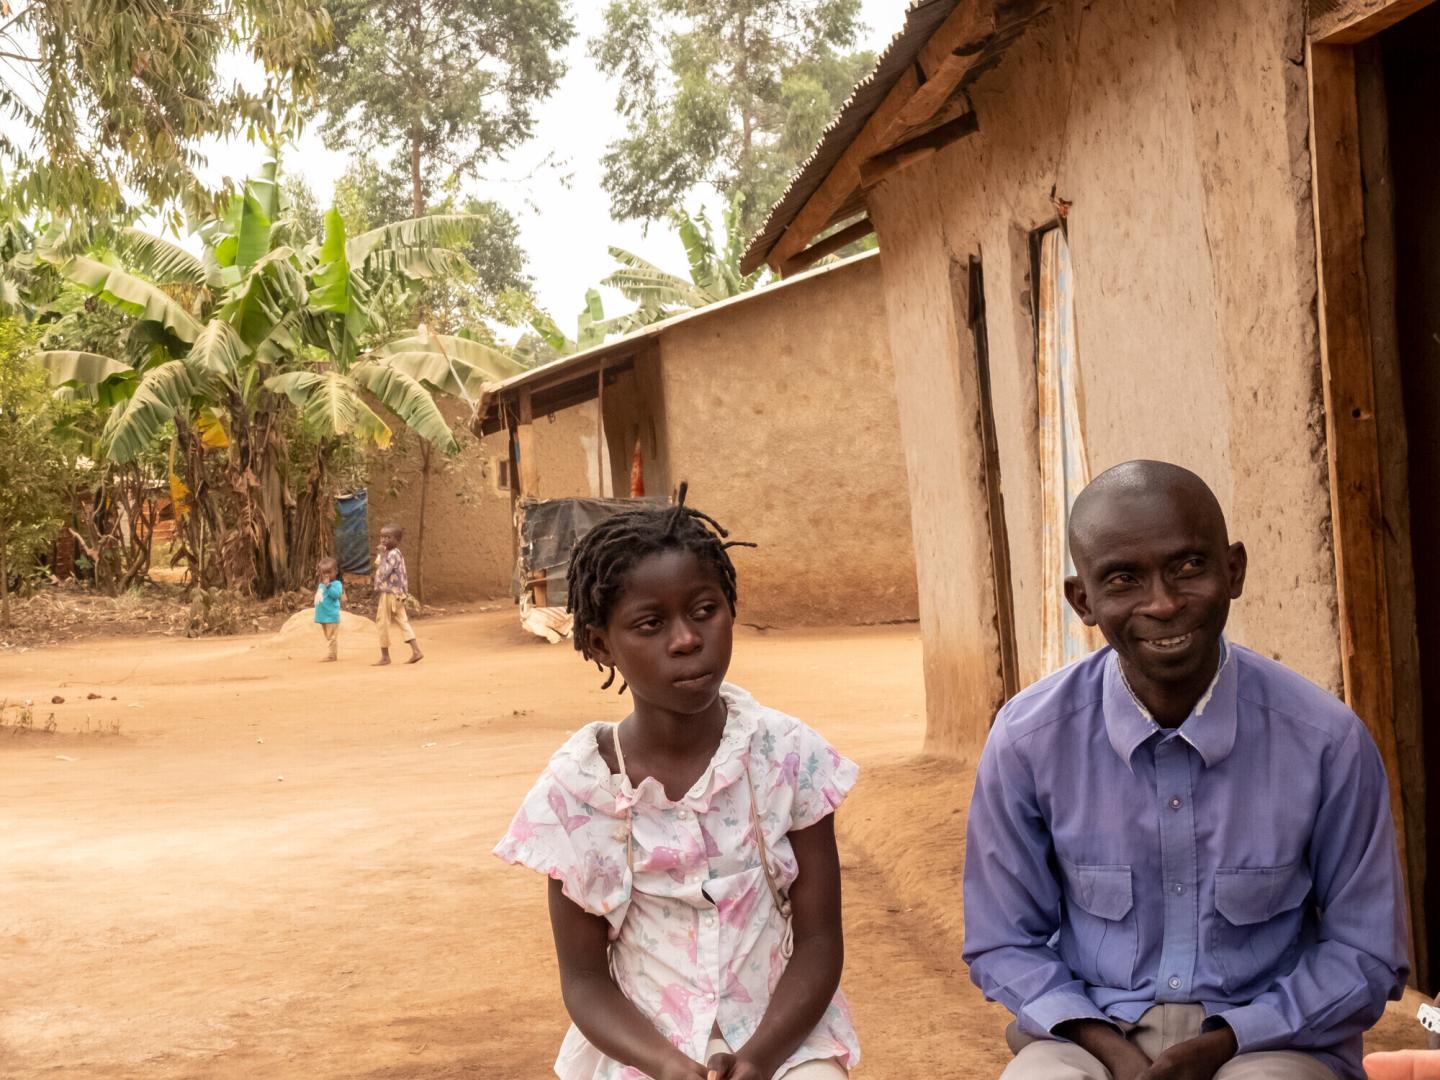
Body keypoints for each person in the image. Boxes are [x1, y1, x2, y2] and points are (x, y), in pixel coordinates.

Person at [962, 459, 1408, 1080]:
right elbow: (1002, 939)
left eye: (1189, 567)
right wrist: (1109, 1048)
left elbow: (1366, 953)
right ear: (1082, 600)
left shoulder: (1326, 741)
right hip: (1092, 1034)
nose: (1163, 603)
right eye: (1123, 579)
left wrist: (1227, 1042)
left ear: (1235, 570)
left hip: (1270, 1042)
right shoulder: (1028, 740)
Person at [494, 486, 859, 1080]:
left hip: (783, 1041)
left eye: (704, 610)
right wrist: (666, 1065)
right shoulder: (580, 793)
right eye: (650, 623)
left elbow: (819, 943)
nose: (687, 638)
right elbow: (585, 980)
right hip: (641, 1053)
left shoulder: (787, 757)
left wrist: (760, 1059)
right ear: (599, 644)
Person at [372, 523, 421, 666]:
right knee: (402, 621)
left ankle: (385, 656)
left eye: (388, 537)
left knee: (382, 623)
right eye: (382, 537)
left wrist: (382, 554)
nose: (383, 540)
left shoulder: (393, 553)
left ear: (397, 540)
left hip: (390, 594)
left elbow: (384, 572)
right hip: (397, 594)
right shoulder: (390, 553)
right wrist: (381, 555)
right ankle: (416, 651)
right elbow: (378, 565)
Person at [314, 557, 343, 662]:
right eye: (324, 573)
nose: (326, 575)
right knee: (328, 636)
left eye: (329, 572)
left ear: (336, 571)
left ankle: (332, 655)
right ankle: (331, 653)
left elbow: (336, 595)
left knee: (331, 637)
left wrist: (328, 586)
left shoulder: (336, 584)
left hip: (331, 616)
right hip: (324, 616)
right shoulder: (322, 584)